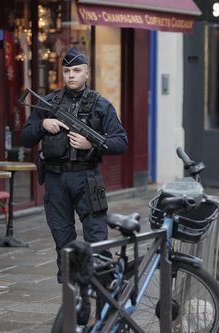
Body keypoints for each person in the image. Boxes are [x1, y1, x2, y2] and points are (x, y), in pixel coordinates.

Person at [21, 47, 128, 282]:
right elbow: (25, 137)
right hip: (55, 181)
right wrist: (43, 125)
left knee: (98, 243)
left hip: (87, 180)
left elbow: (121, 142)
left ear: (87, 73)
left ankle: (105, 304)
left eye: (77, 70)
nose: (71, 75)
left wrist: (91, 144)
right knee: (63, 244)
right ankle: (74, 308)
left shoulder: (102, 105)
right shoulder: (48, 103)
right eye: (67, 70)